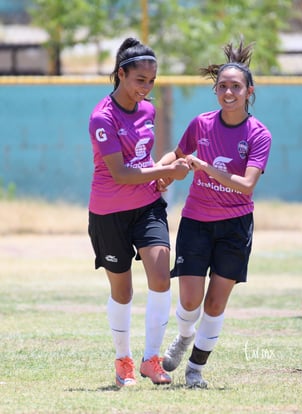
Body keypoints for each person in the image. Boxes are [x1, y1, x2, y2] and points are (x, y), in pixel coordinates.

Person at [157, 39, 272, 388]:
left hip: (235, 226)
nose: (228, 92)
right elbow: (177, 156)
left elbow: (246, 185)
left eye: (236, 87)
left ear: (248, 91)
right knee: (190, 299)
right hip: (196, 220)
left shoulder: (258, 134)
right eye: (222, 86)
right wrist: (156, 172)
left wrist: (206, 167)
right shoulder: (201, 124)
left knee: (216, 301)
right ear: (215, 90)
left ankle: (195, 369)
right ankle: (183, 335)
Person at [87, 37, 189, 387]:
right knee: (123, 291)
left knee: (161, 277)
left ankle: (151, 360)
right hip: (108, 212)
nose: (146, 88)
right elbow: (120, 173)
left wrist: (159, 178)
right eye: (139, 80)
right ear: (121, 74)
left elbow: (143, 162)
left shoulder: (148, 110)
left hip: (147, 206)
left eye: (151, 81)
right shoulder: (102, 117)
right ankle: (123, 361)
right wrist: (166, 173)